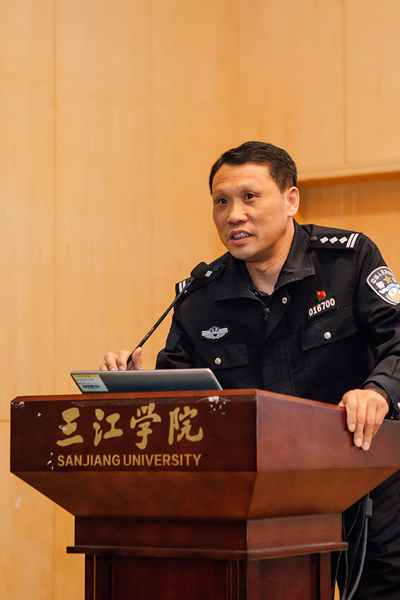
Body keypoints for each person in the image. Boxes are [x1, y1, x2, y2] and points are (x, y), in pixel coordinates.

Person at [101, 141, 400, 599]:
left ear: (291, 200)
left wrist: (378, 390)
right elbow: (181, 403)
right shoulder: (199, 295)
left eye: (249, 197)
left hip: (365, 483)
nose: (234, 215)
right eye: (221, 201)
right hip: (264, 508)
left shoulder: (348, 260)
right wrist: (138, 389)